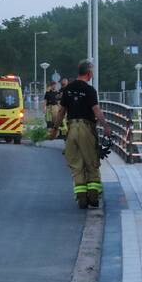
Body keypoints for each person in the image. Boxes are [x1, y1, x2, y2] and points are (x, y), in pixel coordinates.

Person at [48, 60, 109, 209]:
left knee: (76, 164)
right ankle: (93, 198)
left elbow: (61, 111)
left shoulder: (68, 89)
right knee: (91, 162)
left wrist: (55, 129)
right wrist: (106, 126)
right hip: (86, 128)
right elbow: (96, 110)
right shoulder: (90, 90)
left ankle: (81, 198)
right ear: (88, 73)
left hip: (72, 128)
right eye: (92, 72)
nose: (92, 74)